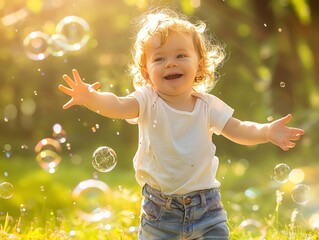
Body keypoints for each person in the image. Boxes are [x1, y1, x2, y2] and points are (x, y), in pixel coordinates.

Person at [58, 8, 305, 240]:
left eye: (181, 55)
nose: (170, 63)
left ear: (200, 64)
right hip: (159, 212)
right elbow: (118, 105)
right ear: (146, 73)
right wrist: (91, 98)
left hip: (207, 208)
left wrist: (266, 131)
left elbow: (238, 129)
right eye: (159, 59)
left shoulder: (208, 105)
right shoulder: (147, 100)